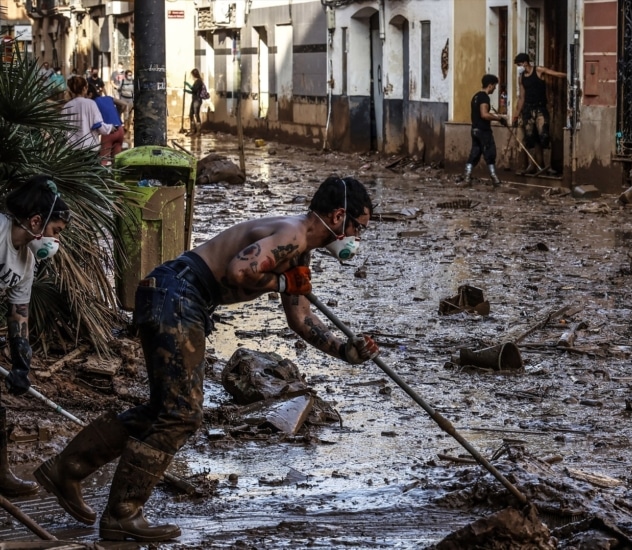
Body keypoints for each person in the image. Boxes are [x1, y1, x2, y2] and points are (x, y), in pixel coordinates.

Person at [35, 176, 380, 542]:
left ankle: (69, 467)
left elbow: (301, 318)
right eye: (358, 228)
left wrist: (344, 350)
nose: (356, 238)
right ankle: (123, 512)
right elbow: (239, 271)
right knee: (181, 414)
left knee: (164, 410)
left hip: (174, 295)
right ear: (340, 215)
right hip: (179, 294)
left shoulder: (300, 248)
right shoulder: (292, 234)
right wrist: (281, 283)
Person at [0, 175, 72, 498]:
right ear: (35, 222)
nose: (55, 242)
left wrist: (21, 364)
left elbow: (19, 315)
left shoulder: (26, 261)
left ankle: (1, 475)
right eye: (55, 233)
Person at [511, 52, 565, 176]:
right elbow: (521, 97)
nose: (519, 67)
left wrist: (569, 75)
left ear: (525, 62)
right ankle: (534, 165)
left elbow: (554, 73)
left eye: (519, 64)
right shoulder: (522, 78)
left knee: (544, 136)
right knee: (531, 137)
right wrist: (516, 114)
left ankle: (547, 166)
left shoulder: (538, 70)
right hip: (528, 110)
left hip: (540, 108)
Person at [463, 74, 508, 187]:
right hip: (483, 131)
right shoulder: (484, 97)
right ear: (490, 85)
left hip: (474, 130)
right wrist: (499, 118)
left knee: (475, 153)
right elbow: (484, 114)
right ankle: (495, 179)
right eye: (494, 86)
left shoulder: (475, 96)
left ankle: (467, 177)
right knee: (490, 153)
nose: (495, 88)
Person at [62, 76, 112, 152]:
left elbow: (63, 129)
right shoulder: (91, 104)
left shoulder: (67, 106)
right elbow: (98, 125)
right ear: (85, 88)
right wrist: (111, 128)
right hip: (90, 148)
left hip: (72, 150)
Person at [93, 90, 126, 165]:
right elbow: (124, 104)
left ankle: (103, 176)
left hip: (109, 131)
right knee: (116, 161)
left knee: (103, 160)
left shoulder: (93, 102)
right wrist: (118, 114)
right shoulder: (108, 98)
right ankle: (116, 176)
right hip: (120, 129)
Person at [188, 68, 204, 135]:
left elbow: (194, 90)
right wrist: (187, 90)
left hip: (197, 100)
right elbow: (193, 91)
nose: (191, 76)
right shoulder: (196, 81)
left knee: (196, 114)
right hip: (194, 99)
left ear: (194, 74)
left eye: (192, 75)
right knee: (191, 114)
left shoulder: (199, 81)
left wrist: (188, 85)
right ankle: (193, 130)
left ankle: (198, 131)